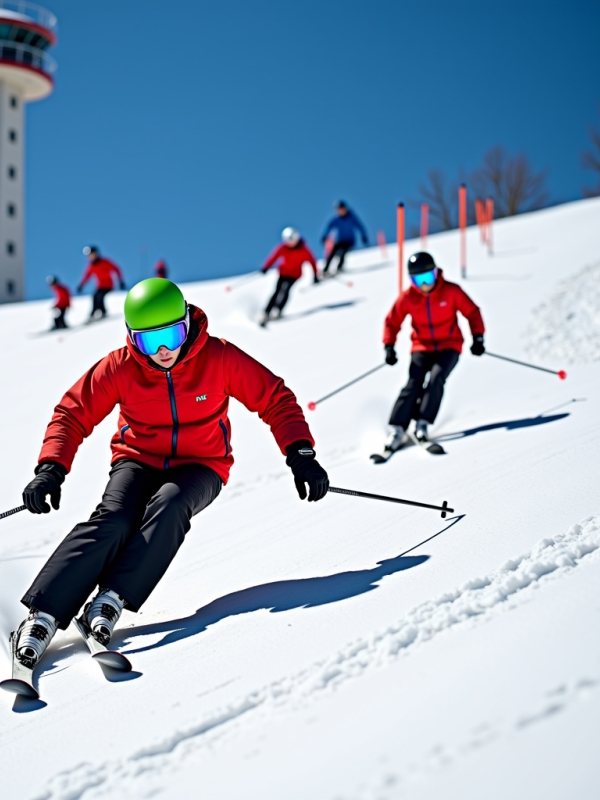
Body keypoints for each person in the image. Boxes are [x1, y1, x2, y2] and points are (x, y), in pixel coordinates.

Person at [13, 278, 329, 669]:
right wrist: (51, 467)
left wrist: (300, 452)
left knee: (172, 505)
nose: (163, 350)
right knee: (116, 519)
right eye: (150, 341)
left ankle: (110, 599)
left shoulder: (219, 358)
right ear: (133, 339)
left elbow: (275, 398)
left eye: (172, 335)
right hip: (138, 459)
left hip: (203, 464)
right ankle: (43, 615)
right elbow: (72, 414)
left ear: (187, 325)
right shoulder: (120, 367)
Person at [382, 252, 485, 451]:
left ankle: (422, 423)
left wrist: (478, 337)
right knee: (414, 382)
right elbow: (392, 322)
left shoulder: (451, 291)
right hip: (422, 346)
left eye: (428, 278)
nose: (424, 285)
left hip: (450, 345)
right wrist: (389, 346)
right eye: (418, 280)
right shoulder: (408, 298)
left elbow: (472, 312)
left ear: (436, 273)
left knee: (436, 378)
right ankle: (398, 428)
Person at [259, 227, 318, 327]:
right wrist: (266, 267)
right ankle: (266, 312)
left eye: (292, 240)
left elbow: (312, 262)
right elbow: (274, 257)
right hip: (283, 273)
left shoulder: (303, 250)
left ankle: (278, 310)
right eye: (288, 241)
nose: (290, 243)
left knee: (285, 290)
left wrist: (315, 274)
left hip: (294, 275)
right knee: (277, 291)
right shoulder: (283, 248)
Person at [77, 246, 125, 322]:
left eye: (92, 254)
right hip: (100, 286)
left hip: (108, 286)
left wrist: (121, 281)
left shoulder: (104, 262)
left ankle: (103, 312)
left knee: (100, 296)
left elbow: (116, 269)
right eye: (89, 256)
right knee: (95, 296)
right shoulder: (91, 266)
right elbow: (86, 276)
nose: (91, 257)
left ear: (96, 254)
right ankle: (93, 313)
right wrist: (81, 285)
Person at [321, 200, 368, 275]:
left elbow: (360, 226)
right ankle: (326, 269)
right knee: (333, 251)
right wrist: (324, 236)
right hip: (341, 240)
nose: (341, 211)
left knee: (342, 252)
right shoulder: (337, 219)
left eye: (342, 209)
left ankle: (339, 267)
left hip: (349, 241)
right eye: (339, 210)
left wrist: (363, 235)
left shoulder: (351, 217)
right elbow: (329, 227)